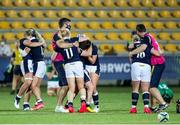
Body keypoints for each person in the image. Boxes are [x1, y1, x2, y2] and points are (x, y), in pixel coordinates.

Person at [128, 24, 162, 114]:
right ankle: (146, 108)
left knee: (135, 88)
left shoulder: (133, 45)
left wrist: (132, 48)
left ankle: (133, 108)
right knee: (145, 89)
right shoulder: (148, 45)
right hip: (146, 66)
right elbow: (158, 53)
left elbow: (130, 48)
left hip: (136, 65)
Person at [14, 29, 45, 110]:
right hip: (26, 62)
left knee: (32, 84)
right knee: (29, 82)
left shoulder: (35, 42)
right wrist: (41, 42)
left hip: (34, 63)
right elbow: (30, 45)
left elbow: (31, 47)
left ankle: (26, 104)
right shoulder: (24, 40)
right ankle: (18, 98)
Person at [144, 33, 168, 112]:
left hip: (156, 63)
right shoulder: (150, 36)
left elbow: (156, 52)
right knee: (153, 87)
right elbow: (158, 50)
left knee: (152, 88)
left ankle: (163, 103)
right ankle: (153, 107)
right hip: (160, 62)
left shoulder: (146, 38)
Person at [79, 34, 100, 112]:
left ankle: (96, 106)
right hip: (86, 67)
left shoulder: (93, 47)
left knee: (93, 87)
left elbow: (93, 61)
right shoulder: (80, 47)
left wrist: (87, 54)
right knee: (86, 87)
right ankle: (86, 105)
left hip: (94, 67)